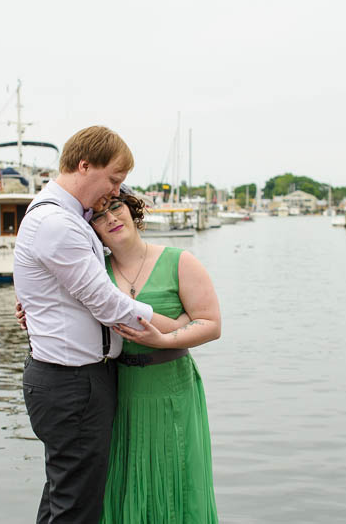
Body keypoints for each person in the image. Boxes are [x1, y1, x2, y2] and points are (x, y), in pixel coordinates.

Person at [13, 126, 190, 524]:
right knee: (77, 507)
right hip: (73, 382)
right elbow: (106, 303)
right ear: (84, 165)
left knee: (64, 494)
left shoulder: (59, 217)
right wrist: (178, 325)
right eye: (113, 179)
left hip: (67, 378)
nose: (114, 191)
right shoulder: (58, 224)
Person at [92, 191, 220, 523]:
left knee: (176, 476)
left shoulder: (180, 261)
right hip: (119, 388)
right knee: (124, 480)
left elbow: (210, 324)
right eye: (99, 216)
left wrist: (163, 338)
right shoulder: (94, 272)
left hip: (171, 386)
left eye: (116, 207)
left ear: (132, 211)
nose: (111, 219)